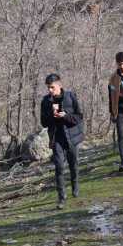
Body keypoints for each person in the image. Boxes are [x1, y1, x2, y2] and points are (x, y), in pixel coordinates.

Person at [40, 74, 85, 210]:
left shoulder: (70, 96)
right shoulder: (45, 101)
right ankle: (61, 197)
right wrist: (51, 116)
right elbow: (43, 123)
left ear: (59, 86)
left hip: (72, 136)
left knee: (73, 163)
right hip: (56, 137)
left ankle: (75, 186)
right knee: (59, 166)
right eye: (48, 88)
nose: (50, 90)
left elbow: (79, 117)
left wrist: (66, 116)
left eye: (52, 87)